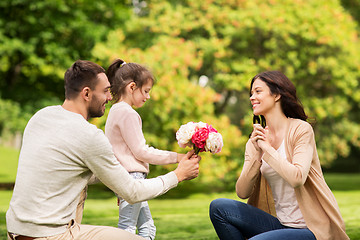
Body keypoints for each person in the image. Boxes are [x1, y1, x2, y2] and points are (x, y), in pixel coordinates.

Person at [6, 60, 200, 240]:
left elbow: (62, 170)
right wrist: (178, 175)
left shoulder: (41, 117)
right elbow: (132, 192)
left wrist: (117, 179)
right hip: (52, 235)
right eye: (106, 91)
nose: (110, 96)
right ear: (87, 94)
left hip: (16, 231)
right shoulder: (89, 135)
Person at [209, 71, 349, 240]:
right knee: (219, 207)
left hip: (311, 229)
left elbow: (297, 178)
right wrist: (257, 155)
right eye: (251, 93)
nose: (252, 97)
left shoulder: (300, 130)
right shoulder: (256, 140)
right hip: (280, 225)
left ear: (276, 95)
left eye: (258, 91)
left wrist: (267, 149)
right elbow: (242, 191)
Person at [104, 58, 185, 239]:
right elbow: (142, 151)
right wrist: (177, 157)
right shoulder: (127, 113)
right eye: (146, 91)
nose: (148, 96)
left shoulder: (115, 111)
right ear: (131, 87)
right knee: (128, 229)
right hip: (131, 178)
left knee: (147, 228)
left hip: (123, 177)